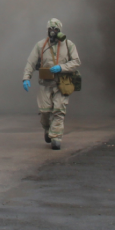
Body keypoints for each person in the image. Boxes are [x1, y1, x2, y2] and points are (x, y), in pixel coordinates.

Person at [22, 18, 81, 150]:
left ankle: (56, 137)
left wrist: (62, 67)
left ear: (60, 30)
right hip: (45, 84)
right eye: (51, 29)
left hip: (62, 83)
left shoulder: (68, 45)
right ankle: (47, 129)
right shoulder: (41, 45)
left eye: (56, 29)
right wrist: (26, 78)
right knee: (45, 112)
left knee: (59, 110)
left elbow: (76, 62)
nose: (53, 32)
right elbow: (31, 62)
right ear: (48, 30)